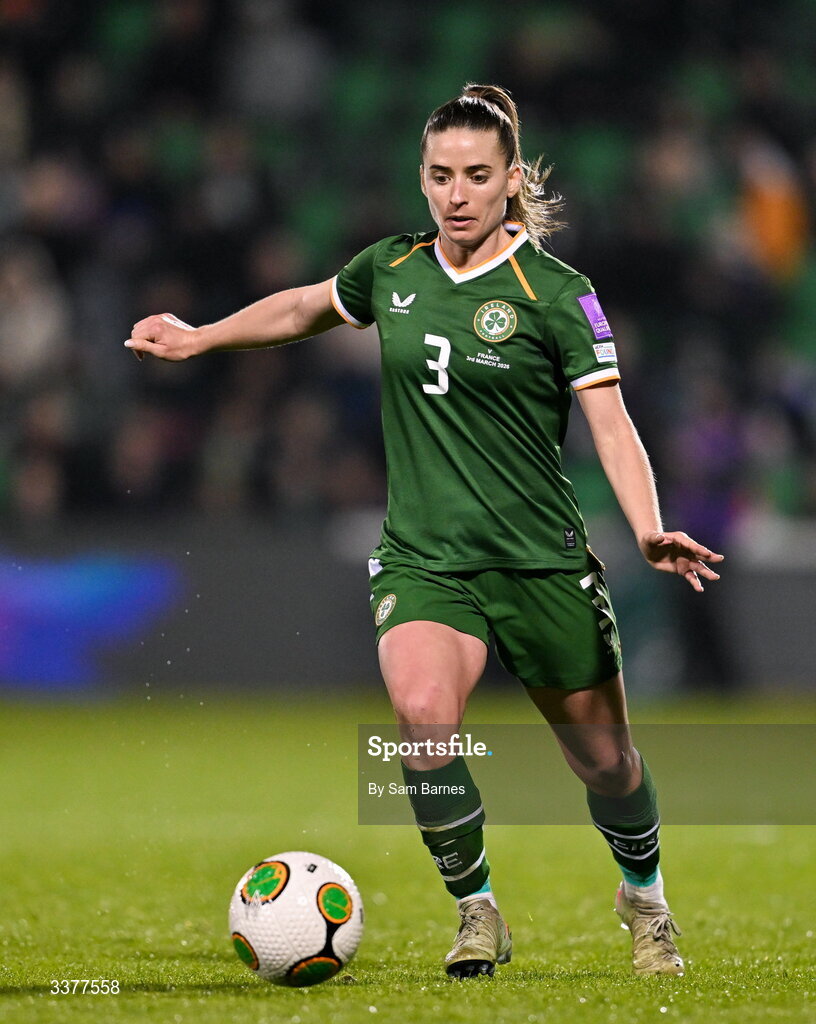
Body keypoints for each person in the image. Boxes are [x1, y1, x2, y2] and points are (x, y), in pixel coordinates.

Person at [126, 83, 724, 979]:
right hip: (425, 559)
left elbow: (611, 425)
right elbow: (302, 308)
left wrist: (647, 529)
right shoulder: (392, 268)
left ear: (511, 179)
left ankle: (646, 898)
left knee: (606, 763)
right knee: (422, 718)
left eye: (477, 176)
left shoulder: (558, 295)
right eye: (441, 175)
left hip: (539, 562)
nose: (457, 194)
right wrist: (200, 337)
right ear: (421, 177)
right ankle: (476, 910)